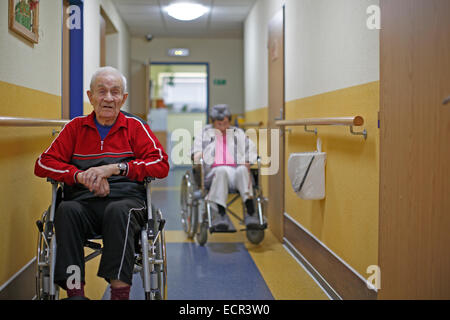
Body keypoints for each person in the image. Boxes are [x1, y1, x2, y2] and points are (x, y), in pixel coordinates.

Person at [34, 66, 169, 300]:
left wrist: (116, 168)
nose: (108, 98)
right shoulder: (75, 128)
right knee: (65, 210)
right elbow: (43, 164)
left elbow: (160, 164)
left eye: (115, 92)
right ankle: (75, 293)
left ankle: (119, 294)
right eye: (102, 91)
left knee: (120, 211)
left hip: (126, 201)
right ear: (90, 96)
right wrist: (80, 176)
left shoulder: (136, 127)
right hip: (82, 201)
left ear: (123, 98)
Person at [192, 104, 259, 231]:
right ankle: (221, 215)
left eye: (226, 123)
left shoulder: (237, 132)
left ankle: (250, 213)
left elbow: (250, 148)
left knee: (243, 169)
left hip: (235, 173)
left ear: (229, 120)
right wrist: (198, 155)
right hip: (213, 174)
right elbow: (195, 150)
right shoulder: (204, 133)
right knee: (222, 170)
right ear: (213, 122)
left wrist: (247, 161)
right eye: (219, 124)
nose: (223, 127)